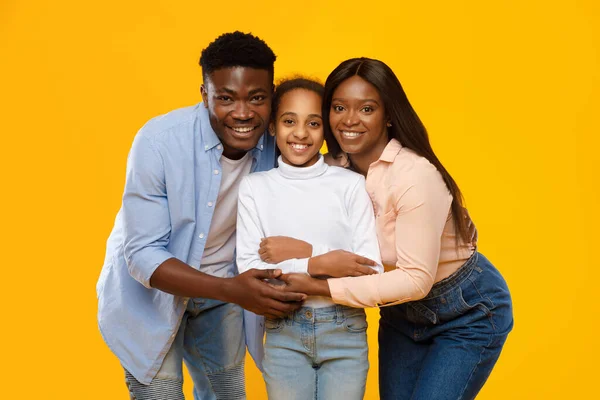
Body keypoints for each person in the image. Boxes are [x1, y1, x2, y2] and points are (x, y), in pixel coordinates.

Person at [259, 58, 514, 400]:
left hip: (465, 309)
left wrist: (319, 281)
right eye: (338, 107)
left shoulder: (413, 175)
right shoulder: (330, 171)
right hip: (397, 310)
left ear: (389, 115)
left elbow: (415, 280)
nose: (350, 120)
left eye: (366, 108)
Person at [96, 32, 306, 400]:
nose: (242, 113)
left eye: (257, 98)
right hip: (153, 293)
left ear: (272, 96)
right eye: (225, 98)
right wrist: (234, 291)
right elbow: (143, 255)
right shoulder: (158, 142)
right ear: (204, 94)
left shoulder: (282, 138)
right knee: (161, 394)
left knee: (227, 394)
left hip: (224, 289)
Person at [235, 78, 383, 400]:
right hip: (283, 329)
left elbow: (371, 269)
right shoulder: (255, 188)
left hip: (345, 328)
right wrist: (318, 263)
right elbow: (251, 269)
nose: (301, 133)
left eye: (313, 123)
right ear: (273, 126)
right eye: (290, 121)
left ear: (325, 129)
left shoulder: (350, 185)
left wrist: (304, 257)